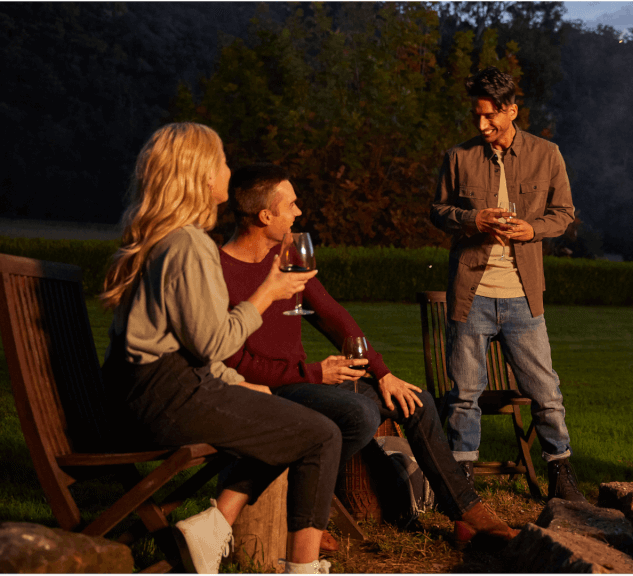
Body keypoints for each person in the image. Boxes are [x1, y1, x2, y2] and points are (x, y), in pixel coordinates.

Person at [217, 163, 519, 546]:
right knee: (359, 412)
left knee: (416, 401)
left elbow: (333, 317)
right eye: (290, 205)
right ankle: (312, 508)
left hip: (305, 378)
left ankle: (466, 513)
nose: (298, 212)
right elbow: (233, 362)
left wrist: (383, 374)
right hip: (267, 389)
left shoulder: (287, 255)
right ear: (265, 215)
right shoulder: (219, 271)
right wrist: (313, 374)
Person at [100, 123, 336, 574]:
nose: (229, 168)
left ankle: (211, 529)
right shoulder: (188, 244)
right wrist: (267, 292)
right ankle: (300, 568)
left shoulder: (164, 240)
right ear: (204, 174)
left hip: (146, 394)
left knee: (288, 422)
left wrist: (241, 384)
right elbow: (214, 341)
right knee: (319, 434)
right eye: (223, 161)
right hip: (164, 401)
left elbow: (194, 349)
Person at [429, 67, 584, 502]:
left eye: (489, 117)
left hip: (522, 297)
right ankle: (462, 481)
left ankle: (560, 472)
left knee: (546, 392)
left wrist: (530, 230)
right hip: (471, 295)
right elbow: (438, 211)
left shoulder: (547, 154)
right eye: (476, 117)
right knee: (464, 394)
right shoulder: (458, 157)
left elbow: (565, 213)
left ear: (511, 111)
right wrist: (471, 219)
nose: (481, 126)